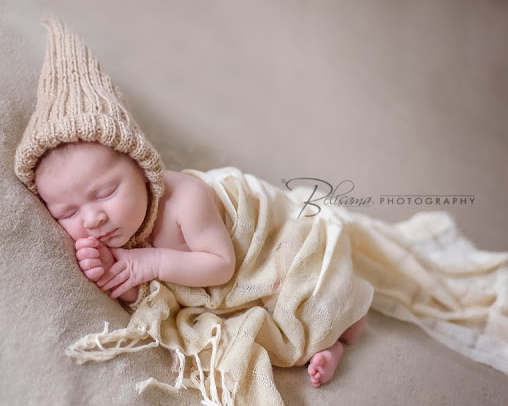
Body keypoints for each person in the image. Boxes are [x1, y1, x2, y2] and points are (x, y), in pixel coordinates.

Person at [32, 139, 369, 388]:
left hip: (268, 248)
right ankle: (332, 342)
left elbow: (222, 265)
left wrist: (152, 261)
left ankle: (341, 326)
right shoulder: (112, 229)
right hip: (218, 283)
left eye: (105, 192)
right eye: (69, 213)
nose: (92, 219)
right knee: (249, 332)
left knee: (311, 301)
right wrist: (108, 269)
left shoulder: (185, 199)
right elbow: (151, 297)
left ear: (141, 168)